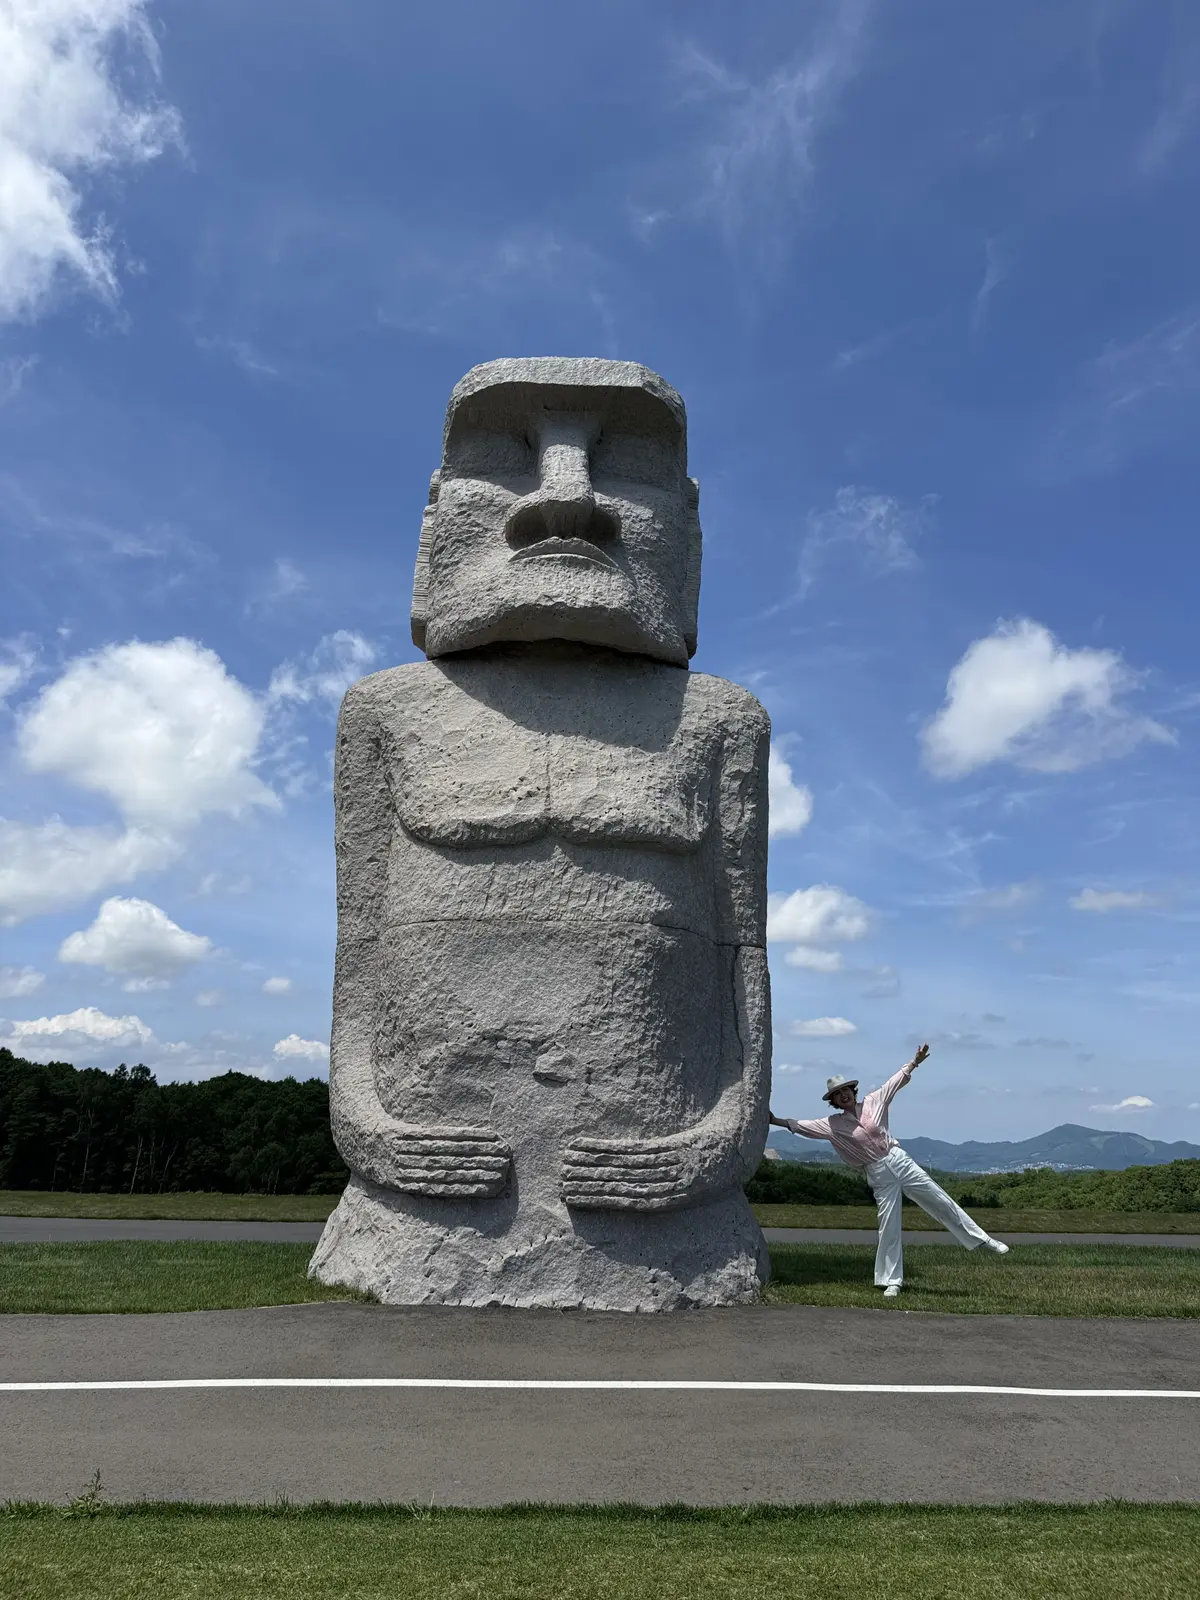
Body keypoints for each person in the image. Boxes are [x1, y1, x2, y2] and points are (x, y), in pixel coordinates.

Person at [769, 1043, 1009, 1297]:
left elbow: (894, 1083)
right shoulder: (832, 1124)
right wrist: (775, 1120)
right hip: (878, 1174)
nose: (844, 1096)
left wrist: (914, 1062)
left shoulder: (874, 1101)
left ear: (853, 1090)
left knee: (939, 1199)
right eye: (838, 1094)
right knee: (889, 1226)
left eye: (846, 1090)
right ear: (834, 1101)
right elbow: (802, 1126)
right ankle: (891, 1280)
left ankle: (983, 1239)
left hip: (898, 1160)